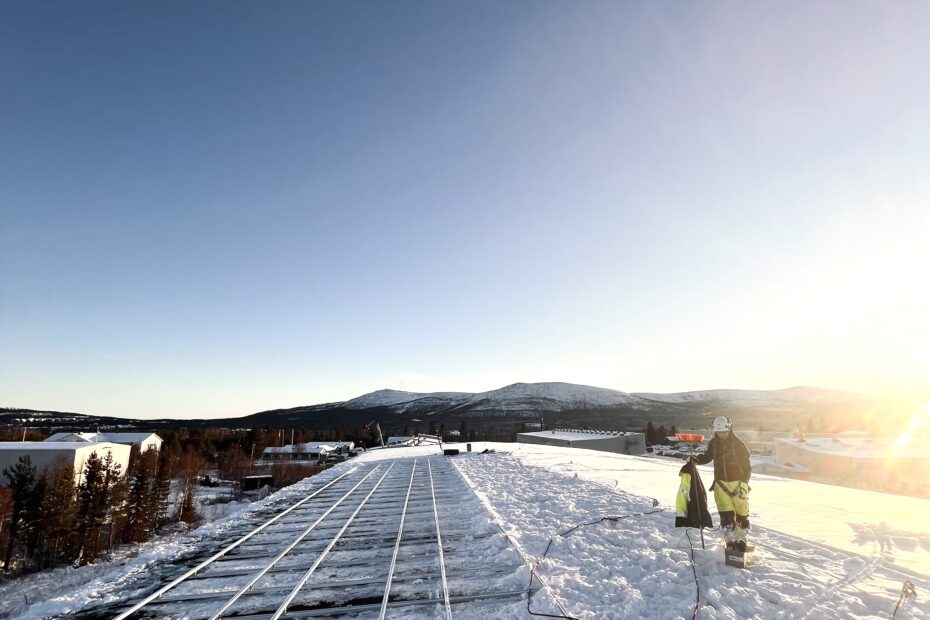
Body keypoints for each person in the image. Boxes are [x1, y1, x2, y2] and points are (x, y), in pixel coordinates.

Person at [691, 415, 752, 550]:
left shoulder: (739, 444)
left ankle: (741, 540)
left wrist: (744, 482)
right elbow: (707, 457)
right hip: (721, 484)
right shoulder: (714, 443)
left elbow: (747, 466)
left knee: (741, 513)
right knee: (726, 513)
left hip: (739, 483)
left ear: (729, 429)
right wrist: (696, 460)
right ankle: (730, 539)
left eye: (724, 432)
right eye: (719, 432)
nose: (722, 434)